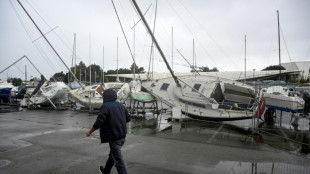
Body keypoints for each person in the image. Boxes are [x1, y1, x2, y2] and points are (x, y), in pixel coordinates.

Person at [86, 88, 131, 174]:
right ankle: (106, 171)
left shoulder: (105, 106)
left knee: (118, 161)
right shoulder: (121, 105)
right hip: (122, 137)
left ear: (106, 97)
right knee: (113, 155)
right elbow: (128, 118)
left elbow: (99, 122)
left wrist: (90, 132)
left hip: (114, 138)